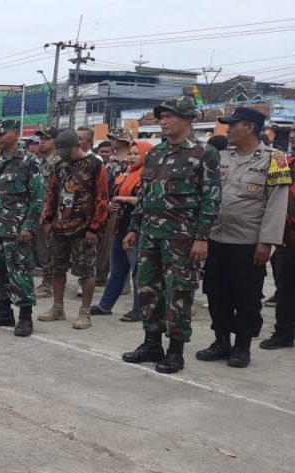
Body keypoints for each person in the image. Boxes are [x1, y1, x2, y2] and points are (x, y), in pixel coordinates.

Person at [122, 97, 222, 374]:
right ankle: (151, 342)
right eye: (161, 117)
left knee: (178, 292)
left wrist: (201, 237)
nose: (163, 121)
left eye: (170, 116)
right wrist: (133, 228)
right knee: (147, 289)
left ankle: (175, 350)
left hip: (182, 238)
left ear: (188, 119)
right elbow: (144, 194)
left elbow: (212, 198)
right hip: (150, 235)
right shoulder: (156, 153)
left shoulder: (204, 153)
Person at [197, 108, 291, 368]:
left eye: (233, 124)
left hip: (248, 243)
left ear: (249, 127)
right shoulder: (220, 156)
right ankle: (221, 341)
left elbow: (277, 204)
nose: (227, 129)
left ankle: (242, 346)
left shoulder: (275, 160)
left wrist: (267, 241)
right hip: (217, 238)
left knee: (247, 297)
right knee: (216, 293)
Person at [0, 120, 45, 337]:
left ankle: (25, 317)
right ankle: (3, 311)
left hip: (17, 230)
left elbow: (37, 197)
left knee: (19, 271)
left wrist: (29, 226)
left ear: (15, 134)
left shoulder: (29, 161)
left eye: (2, 134)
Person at [38, 130, 109, 329]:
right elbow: (53, 194)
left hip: (84, 228)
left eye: (67, 151)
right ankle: (57, 308)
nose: (64, 156)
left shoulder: (95, 165)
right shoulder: (60, 165)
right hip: (60, 226)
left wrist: (94, 228)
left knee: (85, 271)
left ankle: (85, 312)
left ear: (78, 146)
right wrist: (48, 219)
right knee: (57, 268)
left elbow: (102, 197)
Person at [90, 141, 153, 321]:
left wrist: (124, 199)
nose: (132, 157)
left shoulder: (150, 175)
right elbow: (113, 193)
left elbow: (148, 200)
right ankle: (105, 305)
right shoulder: (127, 173)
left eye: (136, 154)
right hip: (120, 225)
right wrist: (112, 203)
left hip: (138, 228)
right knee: (117, 269)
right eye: (130, 153)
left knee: (138, 271)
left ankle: (139, 309)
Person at [262, 131, 295, 350]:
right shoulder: (286, 164)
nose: (293, 140)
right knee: (286, 287)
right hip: (289, 237)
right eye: (292, 138)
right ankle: (283, 333)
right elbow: (275, 196)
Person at [33, 126, 62, 298]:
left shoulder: (58, 162)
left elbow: (57, 191)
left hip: (50, 213)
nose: (41, 142)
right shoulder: (42, 160)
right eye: (41, 139)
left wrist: (50, 215)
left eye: (46, 139)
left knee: (49, 249)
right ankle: (47, 280)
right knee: (42, 249)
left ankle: (48, 283)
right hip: (38, 210)